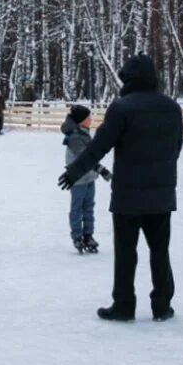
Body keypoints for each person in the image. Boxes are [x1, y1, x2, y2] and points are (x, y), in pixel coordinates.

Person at [58, 53, 183, 323]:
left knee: (127, 252)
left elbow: (99, 146)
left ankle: (124, 305)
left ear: (128, 78)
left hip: (128, 195)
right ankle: (162, 305)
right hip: (162, 193)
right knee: (160, 251)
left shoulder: (123, 107)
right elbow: (176, 149)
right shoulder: (172, 108)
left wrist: (74, 171)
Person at [61, 104, 112, 253]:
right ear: (81, 120)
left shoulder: (83, 133)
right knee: (77, 209)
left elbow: (92, 156)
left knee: (89, 208)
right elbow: (86, 159)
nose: (90, 119)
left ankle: (88, 235)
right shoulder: (75, 137)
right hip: (77, 179)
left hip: (89, 178)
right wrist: (103, 171)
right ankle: (77, 237)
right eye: (88, 117)